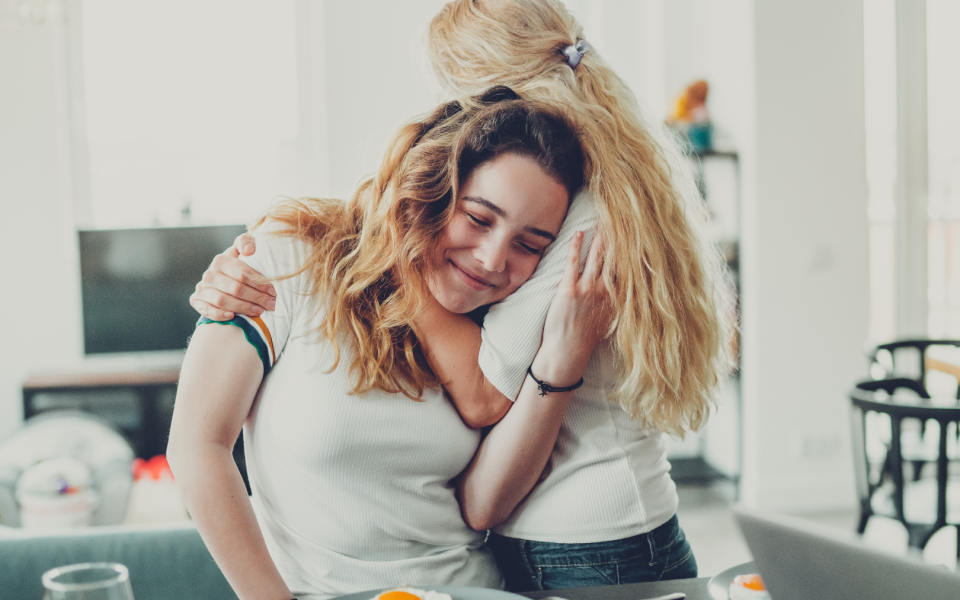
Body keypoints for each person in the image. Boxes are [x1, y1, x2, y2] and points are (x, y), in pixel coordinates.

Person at [189, 0, 732, 592]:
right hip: (542, 542)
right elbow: (198, 444)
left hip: (590, 541)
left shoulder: (583, 216)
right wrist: (369, 240)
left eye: (463, 99)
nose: (456, 118)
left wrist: (389, 240)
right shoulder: (308, 264)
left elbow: (482, 398)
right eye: (477, 217)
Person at [168, 89, 606, 600]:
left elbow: (487, 505)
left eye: (529, 244)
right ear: (430, 189)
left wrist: (563, 357)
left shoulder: (501, 333)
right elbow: (197, 446)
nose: (491, 259)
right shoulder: (289, 259)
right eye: (478, 218)